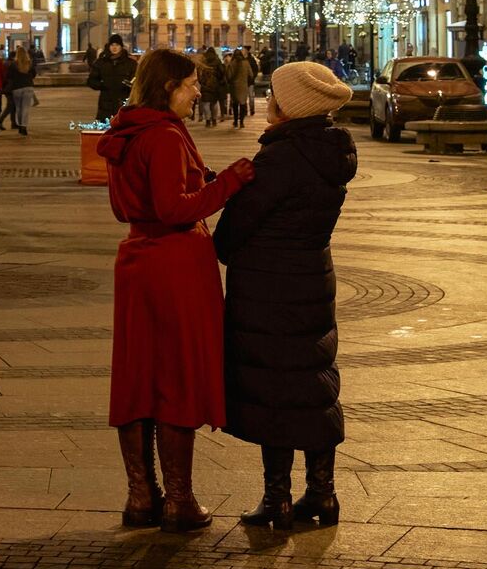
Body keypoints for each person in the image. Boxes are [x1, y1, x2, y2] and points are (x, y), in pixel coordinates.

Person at [97, 48, 256, 533]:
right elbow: (174, 208)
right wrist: (229, 182)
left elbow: (131, 207)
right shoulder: (164, 135)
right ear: (168, 87)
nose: (198, 92)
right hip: (173, 264)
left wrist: (201, 177)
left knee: (139, 375)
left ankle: (141, 496)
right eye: (190, 85)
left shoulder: (128, 131)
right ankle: (179, 501)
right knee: (176, 376)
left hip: (138, 260)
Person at [214, 62, 357, 530]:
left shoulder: (279, 159)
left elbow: (233, 232)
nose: (267, 101)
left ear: (290, 105)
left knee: (272, 388)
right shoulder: (331, 152)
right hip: (313, 280)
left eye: (273, 95)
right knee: (313, 382)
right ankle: (323, 494)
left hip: (267, 287)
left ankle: (276, 497)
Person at [88, 33, 136, 122]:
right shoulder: (101, 63)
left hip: (124, 101)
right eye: (112, 45)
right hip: (106, 103)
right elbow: (91, 81)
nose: (114, 47)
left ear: (121, 46)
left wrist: (130, 85)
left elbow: (137, 80)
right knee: (105, 129)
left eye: (117, 45)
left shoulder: (130, 63)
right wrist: (102, 85)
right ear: (108, 46)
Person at [5, 47, 38, 137]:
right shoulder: (29, 63)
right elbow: (34, 74)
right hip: (28, 87)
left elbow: (9, 76)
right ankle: (24, 126)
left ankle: (20, 126)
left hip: (17, 88)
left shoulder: (13, 64)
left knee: (19, 108)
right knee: (25, 108)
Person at [225, 46, 256, 129]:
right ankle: (241, 122)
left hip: (234, 87)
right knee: (243, 104)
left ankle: (235, 121)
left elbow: (229, 75)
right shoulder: (245, 63)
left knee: (235, 104)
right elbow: (251, 74)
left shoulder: (232, 63)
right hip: (243, 86)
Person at [198, 48, 226, 127]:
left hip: (205, 86)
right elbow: (222, 73)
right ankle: (214, 120)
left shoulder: (204, 61)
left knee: (206, 104)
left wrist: (202, 82)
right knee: (214, 103)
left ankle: (207, 120)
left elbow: (199, 74)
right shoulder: (217, 61)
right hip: (215, 85)